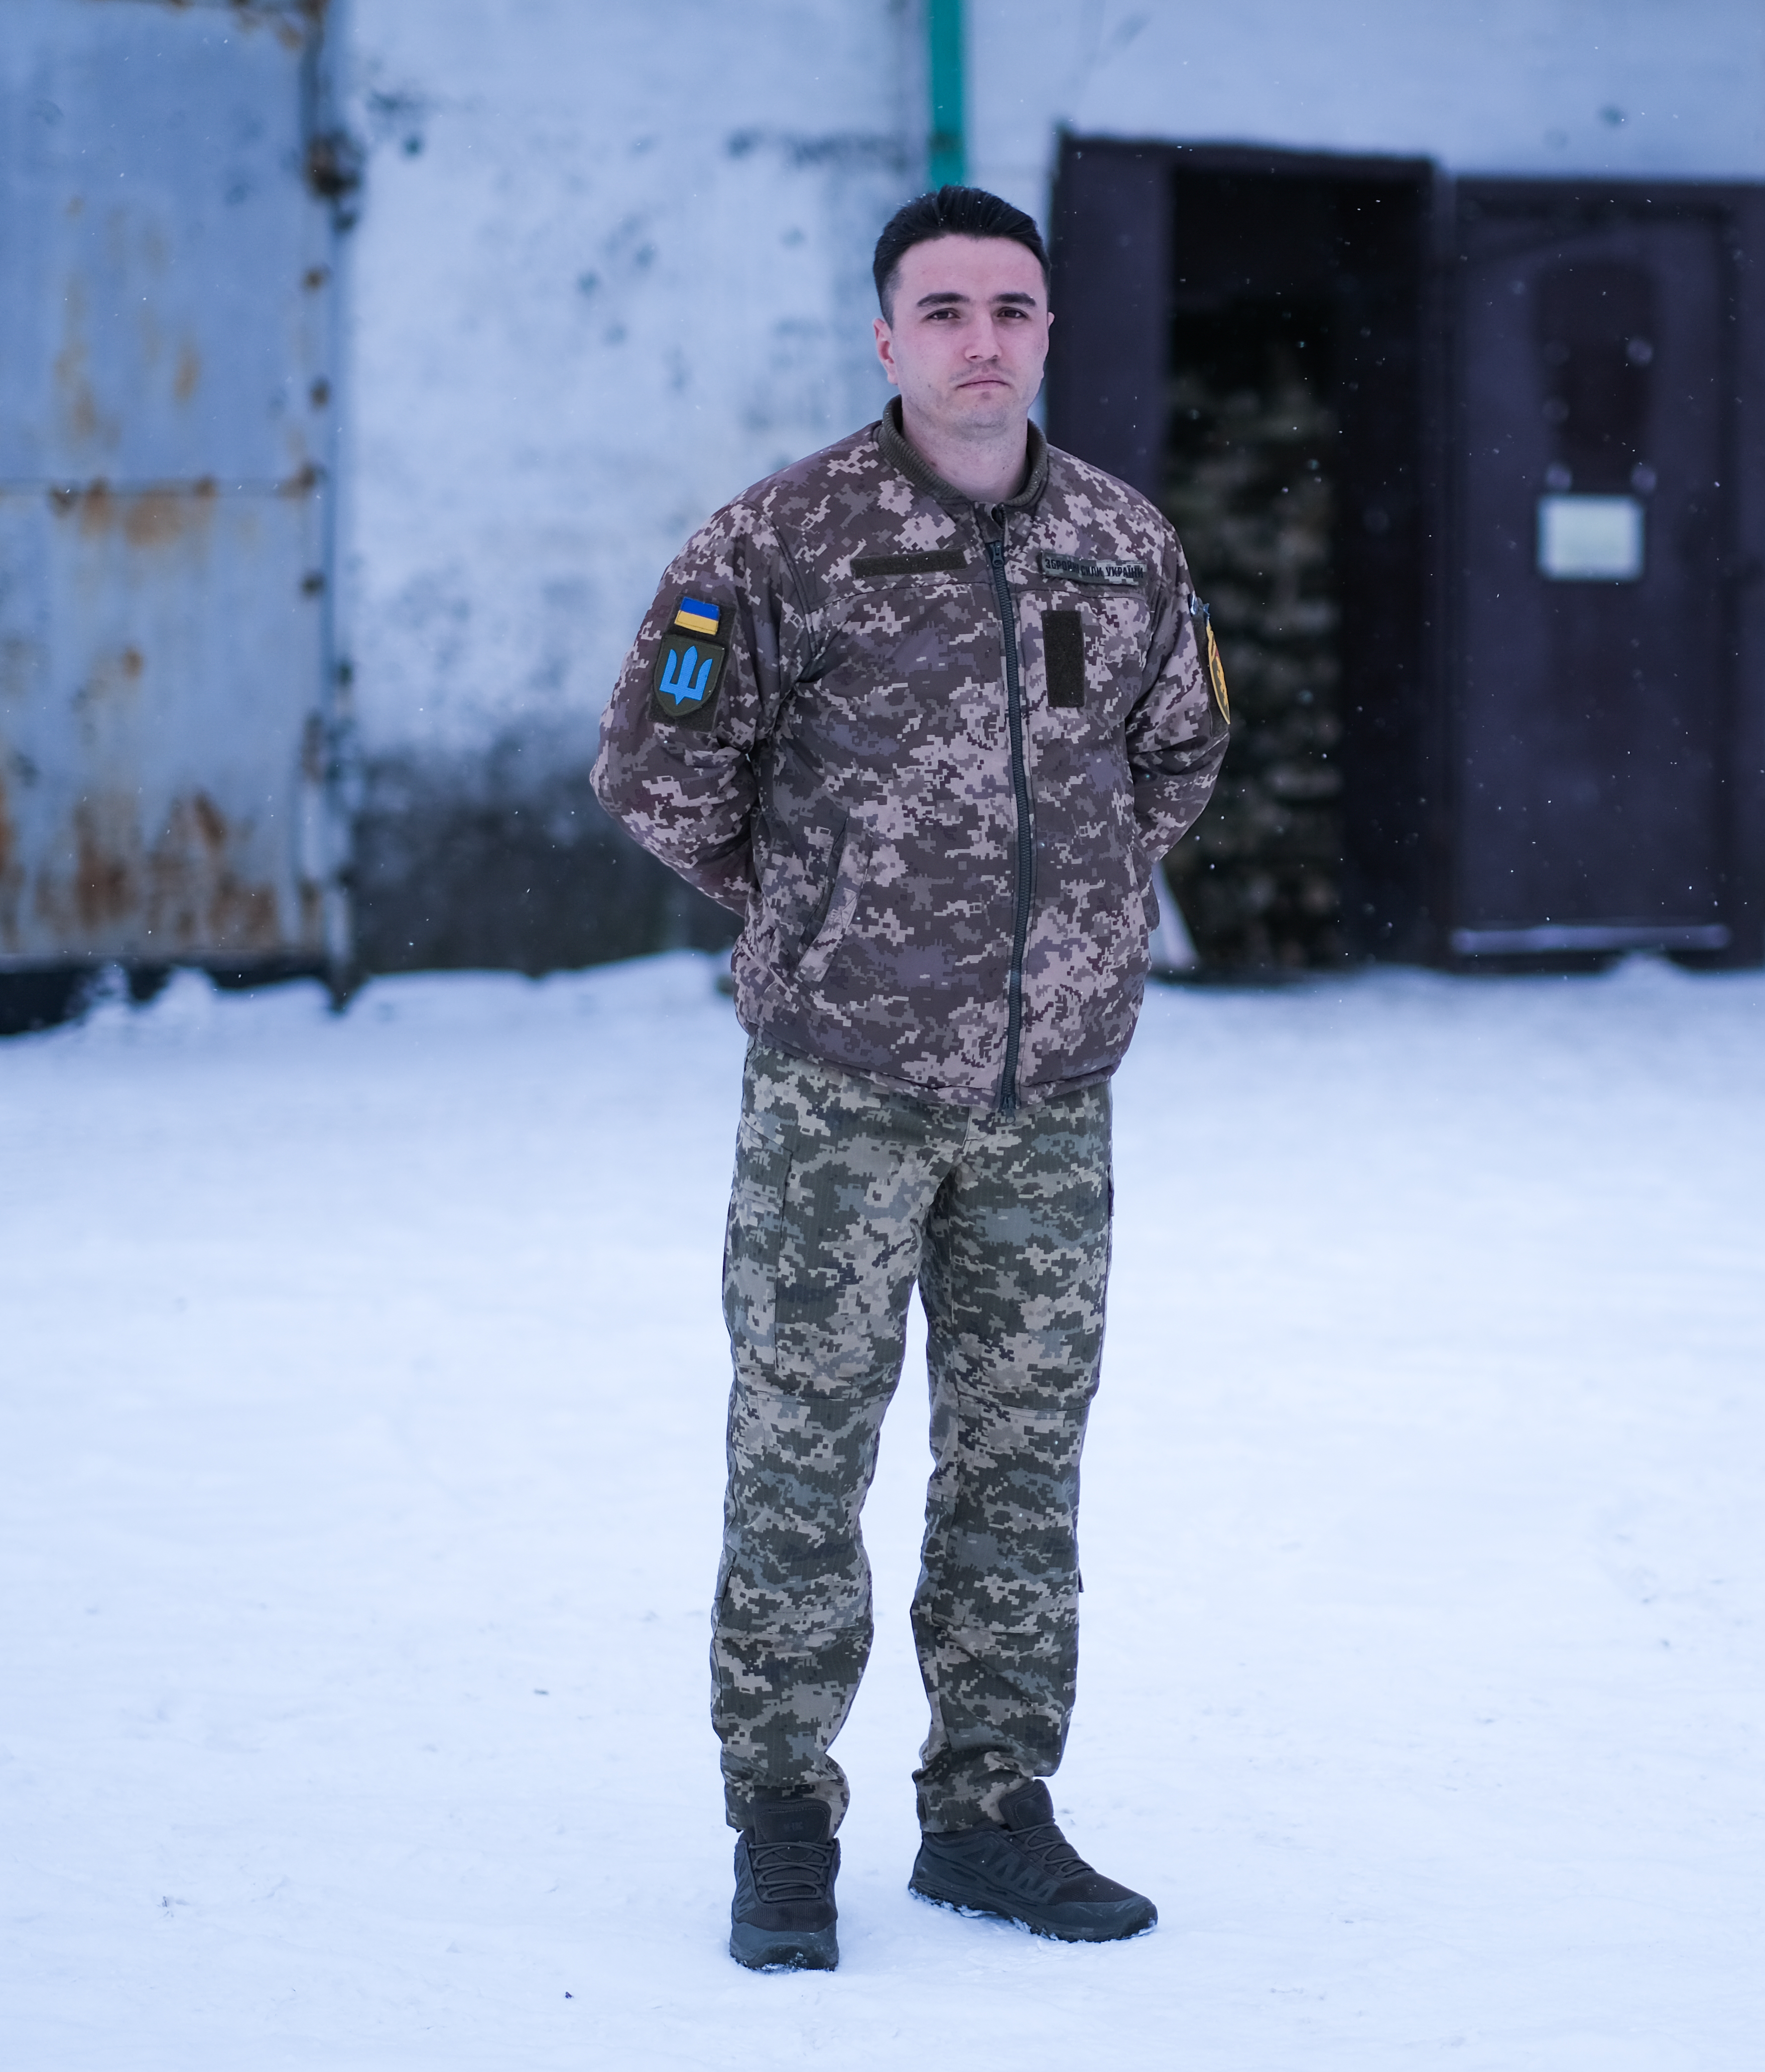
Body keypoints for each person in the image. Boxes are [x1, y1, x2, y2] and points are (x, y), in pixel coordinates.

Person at [590, 185, 1231, 1973]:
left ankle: (993, 1817)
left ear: (1048, 334)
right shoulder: (781, 540)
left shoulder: (1122, 543)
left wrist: (1074, 925)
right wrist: (831, 904)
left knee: (1020, 1464)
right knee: (803, 1458)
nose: (980, 341)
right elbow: (659, 770)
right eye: (942, 310)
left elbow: (1175, 756)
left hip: (1053, 1099)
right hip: (842, 1090)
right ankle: (782, 1818)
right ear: (886, 337)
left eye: (1012, 310)